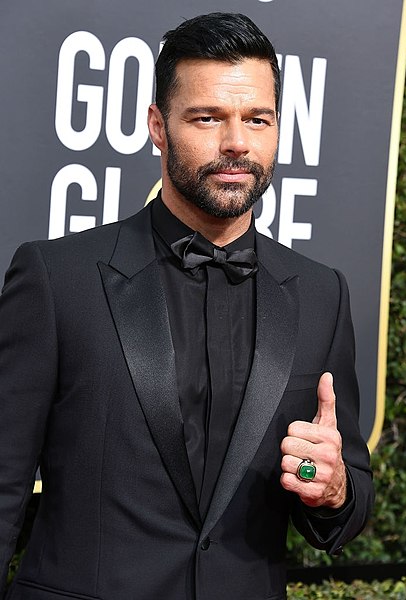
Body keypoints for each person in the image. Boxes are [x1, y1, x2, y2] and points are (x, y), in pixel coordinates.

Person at [0, 12, 374, 600]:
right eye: (208, 118)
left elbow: (346, 509)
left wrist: (332, 489)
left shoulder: (322, 293)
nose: (237, 142)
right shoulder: (56, 278)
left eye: (258, 119)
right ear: (158, 125)